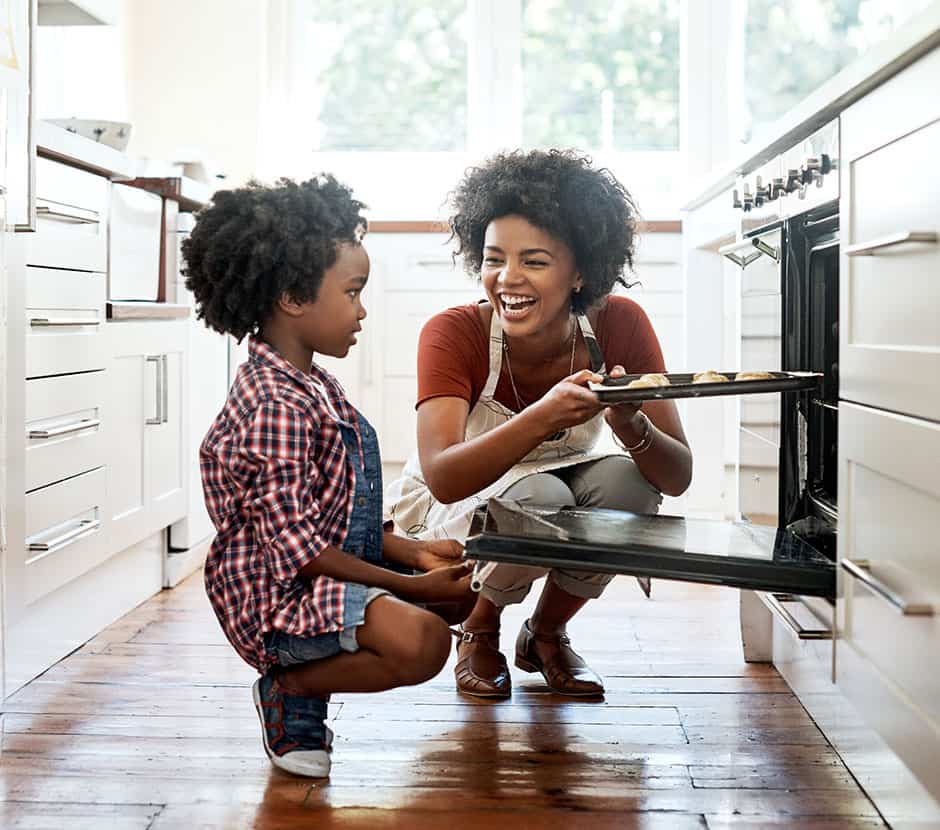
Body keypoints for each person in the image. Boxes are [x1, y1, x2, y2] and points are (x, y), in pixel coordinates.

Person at [184, 176, 475, 779]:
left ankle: (310, 680)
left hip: (318, 569)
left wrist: (414, 553)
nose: (362, 309)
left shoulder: (313, 383)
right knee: (425, 642)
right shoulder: (274, 404)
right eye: (352, 291)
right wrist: (413, 589)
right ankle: (289, 691)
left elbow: (337, 512)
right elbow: (300, 548)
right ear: (292, 296)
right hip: (277, 598)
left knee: (465, 593)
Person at [386, 150, 693, 699]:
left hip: (568, 474)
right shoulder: (453, 333)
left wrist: (629, 423)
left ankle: (546, 634)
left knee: (628, 483)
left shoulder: (619, 323)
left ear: (580, 271)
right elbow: (444, 477)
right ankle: (478, 628)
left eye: (534, 260)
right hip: (463, 496)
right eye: (493, 258)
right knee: (536, 492)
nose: (507, 279)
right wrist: (542, 415)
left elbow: (676, 476)